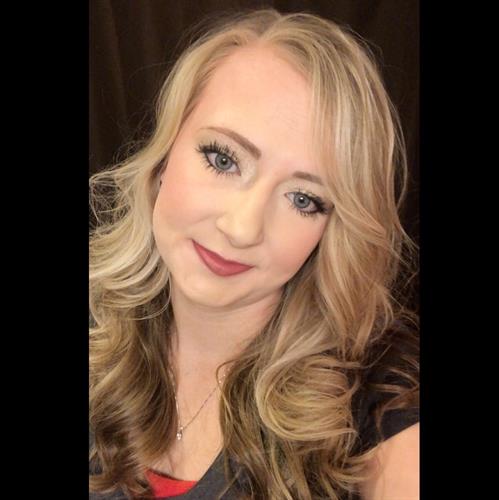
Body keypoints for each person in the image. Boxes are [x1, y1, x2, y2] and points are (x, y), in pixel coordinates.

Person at [89, 8, 419, 500]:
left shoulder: (380, 399)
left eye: (303, 199)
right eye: (223, 159)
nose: (242, 229)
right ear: (163, 156)